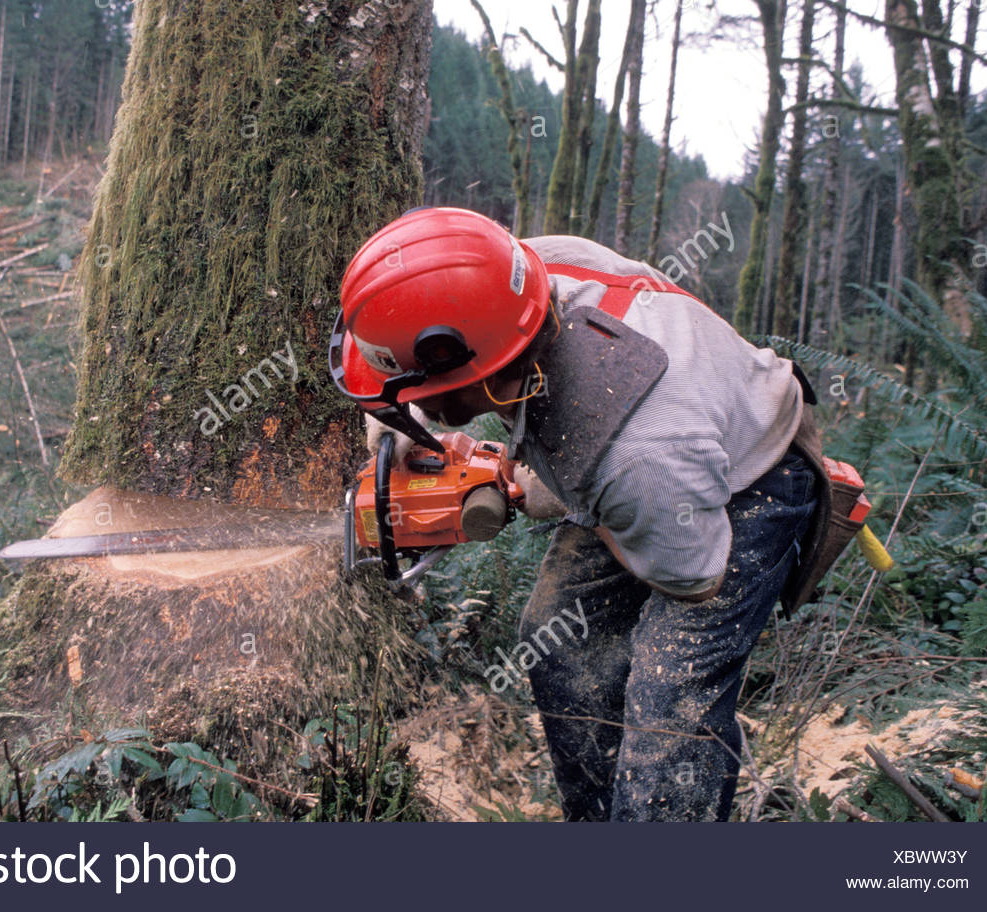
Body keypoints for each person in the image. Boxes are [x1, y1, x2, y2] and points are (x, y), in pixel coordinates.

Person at [329, 206, 833, 822]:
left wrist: (571, 495)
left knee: (670, 695)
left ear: (478, 376)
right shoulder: (507, 276)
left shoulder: (630, 456)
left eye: (419, 390)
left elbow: (694, 577)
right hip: (651, 451)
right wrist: (405, 417)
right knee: (556, 637)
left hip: (746, 480)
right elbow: (440, 311)